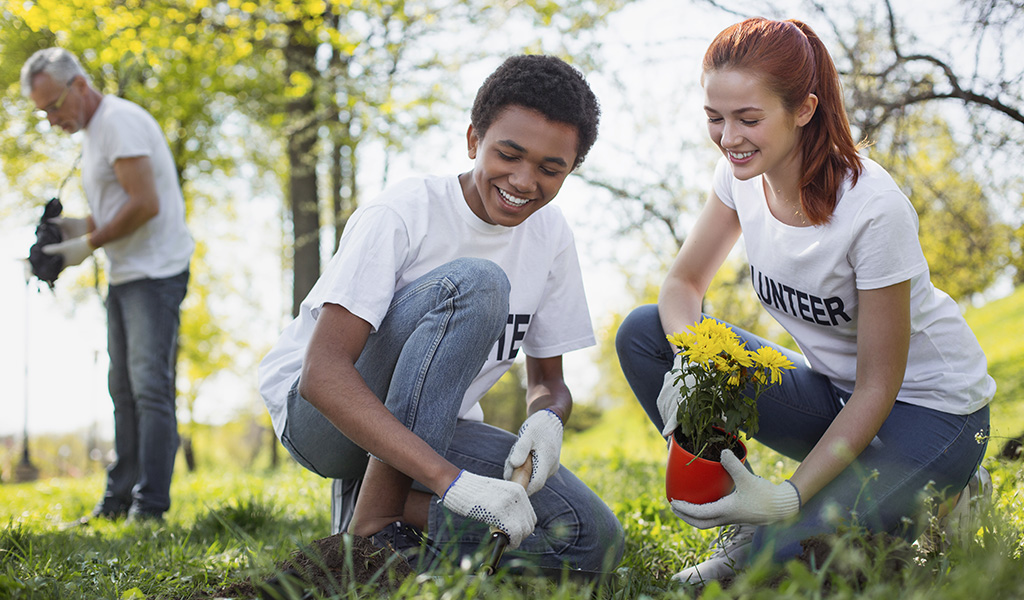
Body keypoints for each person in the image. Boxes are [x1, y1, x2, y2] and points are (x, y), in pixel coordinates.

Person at [615, 17, 994, 583]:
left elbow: (878, 386)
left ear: (804, 109)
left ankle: (938, 485)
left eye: (748, 119)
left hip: (933, 410)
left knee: (787, 568)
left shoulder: (872, 210)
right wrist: (692, 358)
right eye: (715, 119)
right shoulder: (739, 175)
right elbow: (682, 286)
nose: (729, 138)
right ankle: (742, 509)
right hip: (836, 398)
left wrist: (790, 497)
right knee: (648, 334)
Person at [258, 54, 624, 572]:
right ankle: (373, 533)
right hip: (325, 422)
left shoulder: (551, 236)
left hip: (438, 425)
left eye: (550, 168)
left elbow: (548, 379)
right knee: (476, 284)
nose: (523, 181)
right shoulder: (405, 213)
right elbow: (322, 376)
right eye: (509, 154)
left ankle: (389, 516)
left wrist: (548, 418)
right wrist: (451, 482)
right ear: (474, 140)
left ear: (570, 170)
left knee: (590, 540)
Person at [21, 48, 194, 524]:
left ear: (78, 84)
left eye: (54, 106)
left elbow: (145, 203)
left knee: (149, 389)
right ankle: (119, 501)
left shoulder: (119, 122)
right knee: (122, 388)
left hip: (155, 274)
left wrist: (89, 244)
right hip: (127, 273)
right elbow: (120, 201)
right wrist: (75, 229)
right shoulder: (96, 133)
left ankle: (149, 507)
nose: (52, 119)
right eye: (44, 113)